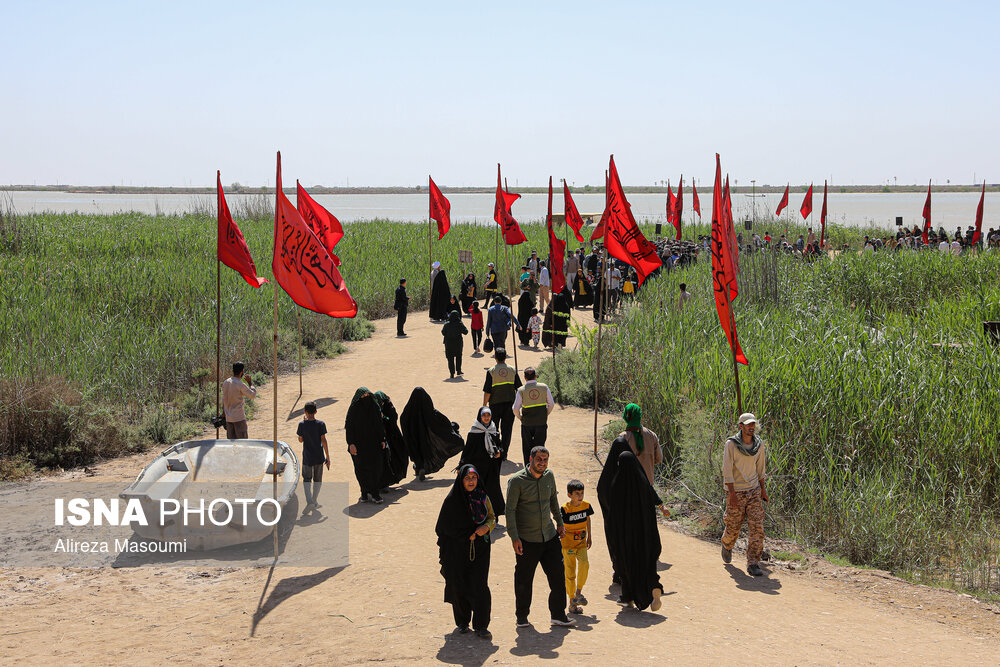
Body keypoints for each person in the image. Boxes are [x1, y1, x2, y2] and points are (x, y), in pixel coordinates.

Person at [505, 446, 575, 628]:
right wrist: (514, 537)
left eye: (545, 460)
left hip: (550, 537)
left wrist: (559, 523)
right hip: (527, 540)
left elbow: (553, 500)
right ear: (530, 459)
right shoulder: (516, 481)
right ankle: (522, 617)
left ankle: (558, 615)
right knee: (524, 580)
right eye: (539, 459)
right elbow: (510, 511)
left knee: (558, 576)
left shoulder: (549, 476)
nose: (542, 463)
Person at [436, 464, 496, 639]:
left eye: (474, 478)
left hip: (480, 548)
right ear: (461, 480)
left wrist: (486, 527)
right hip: (456, 550)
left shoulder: (483, 497)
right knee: (458, 584)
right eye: (467, 478)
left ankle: (481, 625)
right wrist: (463, 536)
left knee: (479, 585)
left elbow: (492, 517)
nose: (471, 481)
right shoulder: (452, 501)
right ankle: (462, 622)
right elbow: (442, 528)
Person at [608, 450, 665, 611]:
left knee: (627, 565)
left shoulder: (617, 484)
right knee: (647, 564)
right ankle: (654, 587)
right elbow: (654, 498)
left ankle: (627, 597)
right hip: (645, 535)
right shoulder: (643, 482)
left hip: (626, 537)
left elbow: (612, 515)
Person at [721, 413, 769, 576]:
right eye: (748, 425)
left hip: (754, 490)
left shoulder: (758, 445)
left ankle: (753, 563)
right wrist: (732, 494)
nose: (751, 427)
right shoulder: (731, 445)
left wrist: (763, 490)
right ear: (740, 427)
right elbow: (727, 470)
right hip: (736, 491)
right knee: (733, 526)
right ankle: (727, 544)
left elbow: (761, 469)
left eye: (753, 424)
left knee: (757, 526)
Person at [400, 386, 465, 481]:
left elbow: (402, 420)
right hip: (426, 440)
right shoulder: (431, 412)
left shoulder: (407, 412)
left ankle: (419, 467)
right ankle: (420, 468)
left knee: (416, 451)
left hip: (413, 440)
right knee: (425, 450)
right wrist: (453, 426)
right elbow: (443, 421)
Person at [596, 435, 633, 585]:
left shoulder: (607, 474)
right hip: (627, 519)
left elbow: (601, 493)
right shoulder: (632, 472)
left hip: (612, 520)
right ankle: (626, 572)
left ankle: (618, 571)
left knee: (614, 543)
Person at [345, 387, 388, 504]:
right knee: (361, 469)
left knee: (376, 468)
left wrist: (382, 439)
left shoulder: (374, 407)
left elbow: (379, 424)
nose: (366, 399)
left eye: (367, 396)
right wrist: (351, 444)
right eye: (363, 397)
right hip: (359, 447)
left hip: (374, 445)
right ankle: (364, 492)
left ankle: (375, 493)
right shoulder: (353, 410)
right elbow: (349, 427)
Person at [460, 407, 504, 518]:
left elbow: (499, 446)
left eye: (488, 415)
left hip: (492, 467)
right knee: (478, 491)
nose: (486, 418)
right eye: (484, 416)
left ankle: (494, 516)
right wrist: (461, 465)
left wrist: (500, 453)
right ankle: (479, 515)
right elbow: (468, 450)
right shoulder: (474, 431)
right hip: (478, 468)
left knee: (493, 491)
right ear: (480, 417)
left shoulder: (493, 430)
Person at [561, 479, 594, 614]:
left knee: (585, 564)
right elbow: (559, 525)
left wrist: (589, 536)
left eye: (582, 493)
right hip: (568, 545)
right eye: (577, 494)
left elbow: (587, 519)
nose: (580, 496)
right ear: (569, 495)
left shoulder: (586, 506)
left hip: (581, 544)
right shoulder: (564, 509)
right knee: (570, 573)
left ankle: (578, 592)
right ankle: (572, 603)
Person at [482, 348, 521, 459]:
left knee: (494, 429)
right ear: (505, 357)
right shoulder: (513, 370)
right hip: (510, 405)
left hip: (495, 405)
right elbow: (519, 388)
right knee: (507, 430)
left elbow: (488, 391)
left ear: (495, 358)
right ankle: (504, 453)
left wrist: (484, 405)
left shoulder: (491, 371)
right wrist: (519, 404)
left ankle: (496, 451)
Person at [512, 367, 554, 466]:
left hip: (527, 423)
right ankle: (540, 466)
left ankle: (528, 467)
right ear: (535, 376)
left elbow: (515, 408)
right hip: (541, 422)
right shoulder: (544, 387)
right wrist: (545, 414)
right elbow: (551, 403)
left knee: (527, 447)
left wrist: (520, 417)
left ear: (525, 378)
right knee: (540, 447)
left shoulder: (521, 390)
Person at [297, 401, 330, 511]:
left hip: (307, 457)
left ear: (305, 412)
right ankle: (314, 500)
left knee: (307, 480)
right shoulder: (321, 424)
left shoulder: (302, 425)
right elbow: (324, 441)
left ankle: (310, 501)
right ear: (316, 411)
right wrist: (328, 457)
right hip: (319, 457)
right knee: (318, 480)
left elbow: (300, 440)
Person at [619, 403, 663, 485]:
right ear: (639, 415)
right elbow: (659, 458)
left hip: (629, 483)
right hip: (647, 483)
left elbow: (616, 461)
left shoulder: (623, 437)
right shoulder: (652, 435)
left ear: (626, 416)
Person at [373, 391, 407, 487]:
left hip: (393, 436)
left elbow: (392, 420)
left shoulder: (390, 407)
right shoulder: (375, 407)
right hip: (382, 437)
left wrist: (384, 417)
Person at [222, 362, 255, 439]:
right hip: (238, 418)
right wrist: (250, 383)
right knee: (242, 443)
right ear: (242, 371)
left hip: (228, 418)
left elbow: (224, 399)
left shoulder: (226, 382)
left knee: (231, 443)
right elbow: (252, 395)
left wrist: (223, 412)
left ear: (233, 370)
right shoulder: (240, 384)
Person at [441, 310, 468, 378]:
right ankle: (458, 370)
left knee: (450, 358)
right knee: (458, 356)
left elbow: (443, 332)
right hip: (458, 343)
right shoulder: (459, 323)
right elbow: (466, 332)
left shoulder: (447, 324)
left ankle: (452, 373)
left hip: (449, 343)